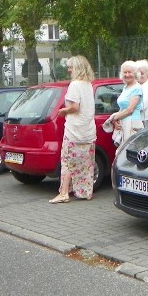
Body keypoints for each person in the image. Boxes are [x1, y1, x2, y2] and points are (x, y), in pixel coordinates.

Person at [49, 55, 98, 204]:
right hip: (88, 130)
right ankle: (85, 192)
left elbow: (75, 107)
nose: (69, 70)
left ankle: (64, 193)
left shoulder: (75, 85)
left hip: (74, 130)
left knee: (68, 161)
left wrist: (63, 111)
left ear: (77, 68)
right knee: (86, 163)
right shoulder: (88, 84)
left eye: (71, 67)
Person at [107, 60, 143, 150]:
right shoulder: (126, 87)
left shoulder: (137, 88)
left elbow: (129, 110)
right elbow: (122, 108)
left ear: (135, 73)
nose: (127, 75)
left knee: (130, 151)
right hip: (123, 123)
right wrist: (115, 121)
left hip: (132, 124)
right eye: (125, 72)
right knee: (122, 152)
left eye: (129, 72)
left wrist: (114, 118)